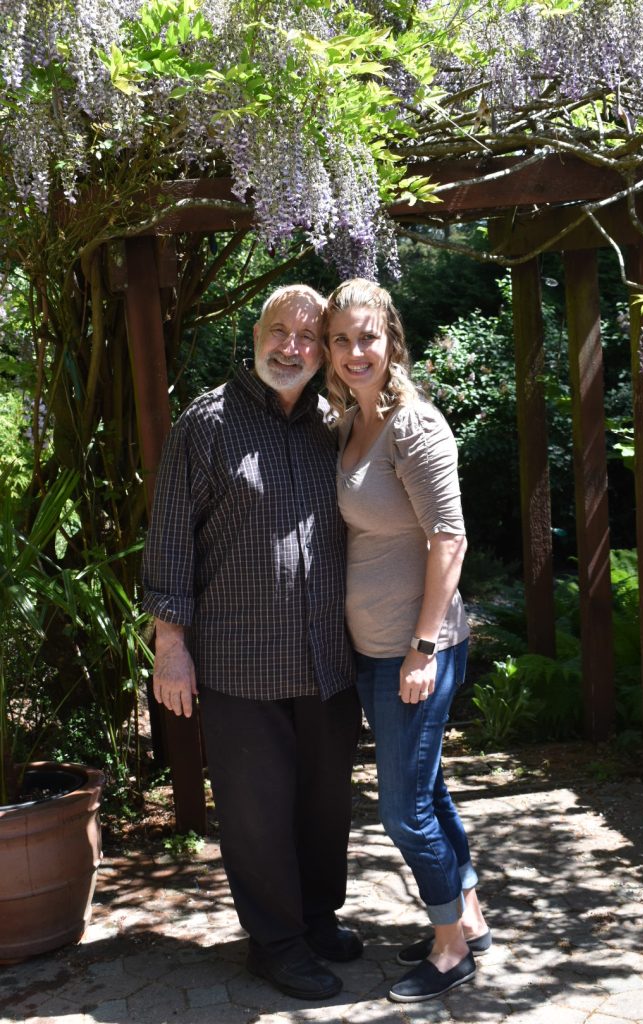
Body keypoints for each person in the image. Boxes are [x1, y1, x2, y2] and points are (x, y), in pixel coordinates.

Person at [141, 284, 362, 1001]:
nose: (291, 348)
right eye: (279, 331)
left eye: (308, 336)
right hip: (241, 661)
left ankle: (316, 919)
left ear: (321, 349)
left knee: (325, 804)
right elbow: (169, 539)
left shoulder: (333, 421)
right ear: (256, 333)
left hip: (327, 655)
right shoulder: (206, 422)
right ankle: (276, 944)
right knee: (256, 813)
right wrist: (170, 646)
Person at [324, 278, 491, 1004]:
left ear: (391, 340)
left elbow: (449, 538)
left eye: (367, 336)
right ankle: (469, 919)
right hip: (373, 649)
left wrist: (422, 649)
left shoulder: (413, 425)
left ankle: (450, 951)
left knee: (403, 811)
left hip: (415, 650)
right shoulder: (351, 423)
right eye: (341, 339)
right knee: (428, 790)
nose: (354, 351)